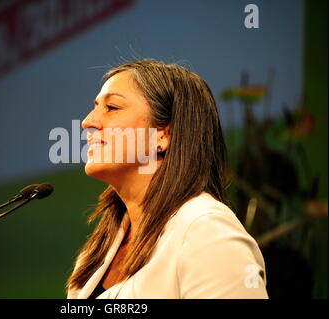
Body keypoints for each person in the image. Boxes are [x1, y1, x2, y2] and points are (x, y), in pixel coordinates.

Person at [66, 59, 268, 299]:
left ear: (162, 134)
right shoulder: (96, 252)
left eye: (112, 107)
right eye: (96, 106)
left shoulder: (205, 230)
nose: (88, 121)